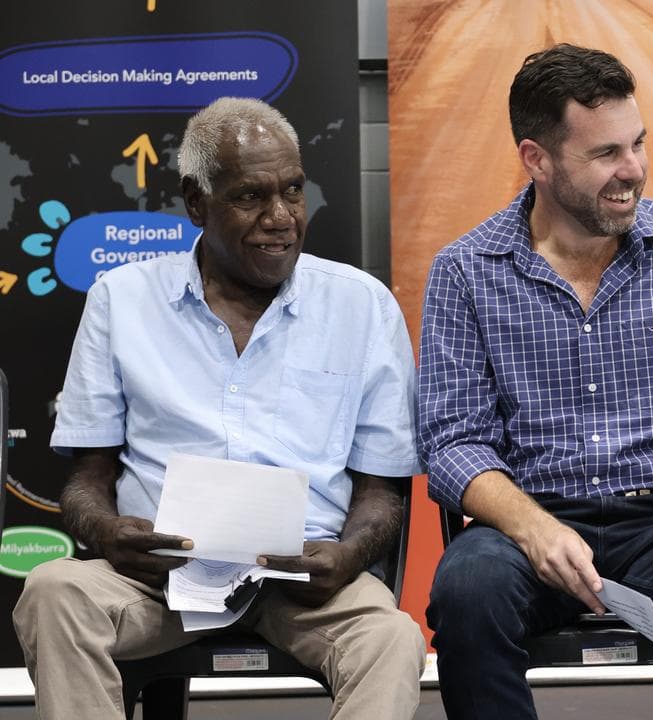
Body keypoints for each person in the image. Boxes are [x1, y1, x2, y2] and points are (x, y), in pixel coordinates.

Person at [12, 97, 426, 720]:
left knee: (393, 640)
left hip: (305, 580)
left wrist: (346, 555)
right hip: (161, 581)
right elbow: (87, 481)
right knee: (51, 591)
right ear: (197, 202)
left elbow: (382, 491)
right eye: (250, 197)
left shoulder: (361, 307)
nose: (280, 217)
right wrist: (106, 532)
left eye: (292, 190)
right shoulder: (120, 301)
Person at [419, 44, 653, 720]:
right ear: (537, 159)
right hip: (528, 521)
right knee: (468, 590)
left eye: (639, 144)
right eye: (606, 154)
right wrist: (531, 527)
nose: (634, 171)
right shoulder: (466, 270)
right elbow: (452, 441)